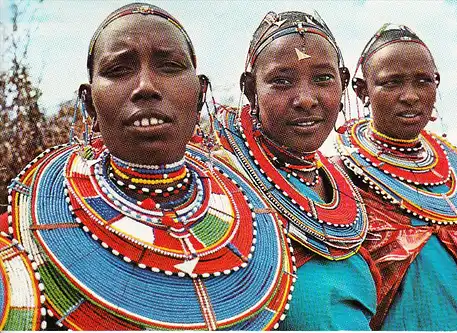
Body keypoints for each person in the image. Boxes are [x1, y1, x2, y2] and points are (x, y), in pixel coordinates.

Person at [0, 3, 295, 330]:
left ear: (200, 97)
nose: (145, 87)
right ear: (89, 104)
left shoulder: (257, 228)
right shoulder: (22, 240)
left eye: (169, 66)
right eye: (118, 69)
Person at [215, 11, 378, 330]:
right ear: (251, 90)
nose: (305, 99)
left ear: (343, 83)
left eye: (323, 79)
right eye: (281, 81)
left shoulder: (345, 183)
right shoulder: (223, 177)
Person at [336, 23, 457, 330]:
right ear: (362, 90)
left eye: (424, 81)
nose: (411, 96)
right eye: (392, 83)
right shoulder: (339, 179)